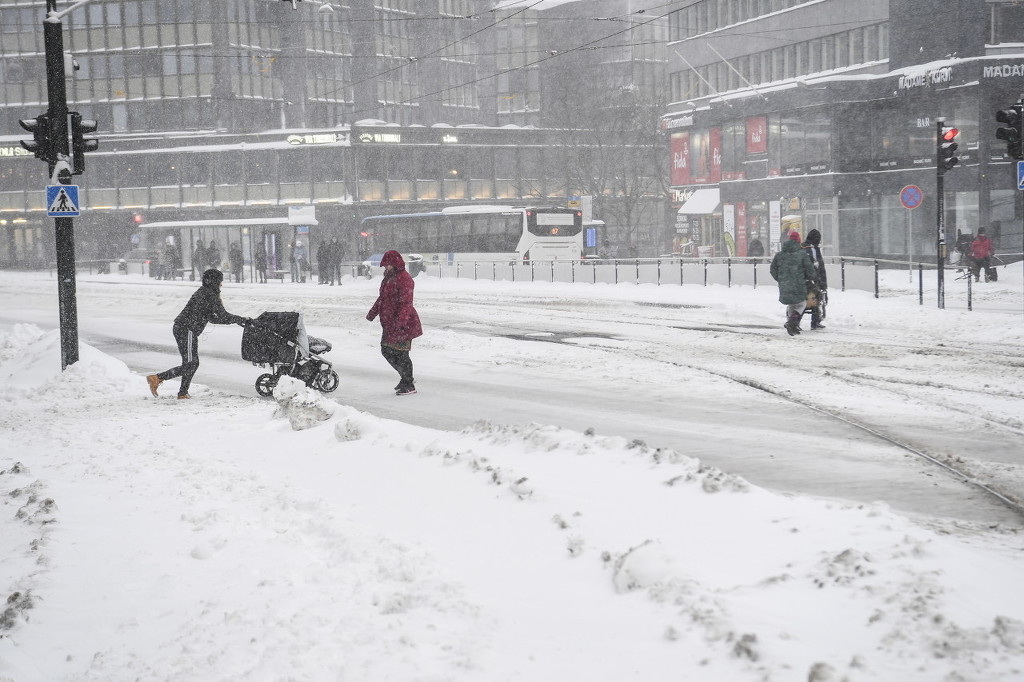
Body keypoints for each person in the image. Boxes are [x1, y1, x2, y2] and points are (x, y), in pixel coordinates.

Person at [146, 269, 250, 399]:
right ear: (213, 282)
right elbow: (222, 315)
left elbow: (214, 318)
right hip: (186, 329)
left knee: (190, 363)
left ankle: (183, 393)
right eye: (219, 282)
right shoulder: (209, 294)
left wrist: (237, 321)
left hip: (185, 329)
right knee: (191, 364)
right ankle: (157, 378)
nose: (221, 285)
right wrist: (239, 319)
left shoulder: (205, 293)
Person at [365, 250, 423, 395]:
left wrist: (401, 322)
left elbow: (406, 303)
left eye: (389, 265)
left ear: (395, 264)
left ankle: (409, 384)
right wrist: (372, 313)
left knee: (402, 354)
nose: (386, 268)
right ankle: (406, 378)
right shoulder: (388, 278)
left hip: (403, 324)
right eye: (385, 265)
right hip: (389, 323)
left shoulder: (405, 279)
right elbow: (382, 298)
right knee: (387, 350)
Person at [770, 231, 817, 336]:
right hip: (798, 284)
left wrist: (780, 279)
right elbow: (810, 270)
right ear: (798, 241)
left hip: (784, 285)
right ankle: (792, 322)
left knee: (791, 304)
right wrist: (812, 277)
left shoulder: (780, 255)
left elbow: (772, 269)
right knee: (801, 303)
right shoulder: (802, 254)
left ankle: (792, 325)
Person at [801, 228, 828, 330]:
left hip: (801, 281)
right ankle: (815, 322)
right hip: (812, 281)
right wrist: (823, 284)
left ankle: (796, 320)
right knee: (816, 299)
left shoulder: (802, 247)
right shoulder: (814, 249)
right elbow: (820, 267)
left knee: (803, 301)